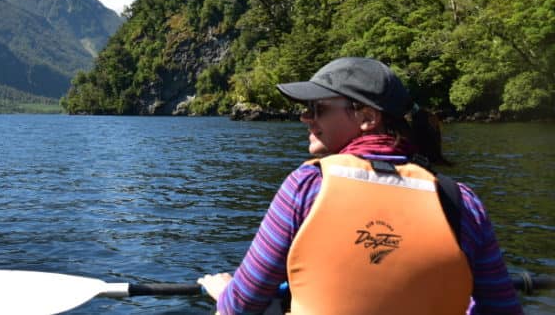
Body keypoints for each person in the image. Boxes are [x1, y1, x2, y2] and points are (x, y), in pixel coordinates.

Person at [198, 56, 522, 314]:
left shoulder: (307, 185)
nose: (305, 118)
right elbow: (503, 309)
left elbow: (242, 304)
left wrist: (225, 291)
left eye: (317, 108)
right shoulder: (461, 201)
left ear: (367, 117)